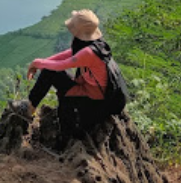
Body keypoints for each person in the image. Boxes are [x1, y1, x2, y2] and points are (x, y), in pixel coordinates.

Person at [10, 9, 110, 147]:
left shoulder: (89, 52)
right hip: (91, 93)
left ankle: (29, 109)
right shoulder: (95, 45)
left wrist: (37, 63)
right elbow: (66, 55)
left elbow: (62, 65)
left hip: (91, 100)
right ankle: (31, 107)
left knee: (51, 72)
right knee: (49, 71)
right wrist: (40, 63)